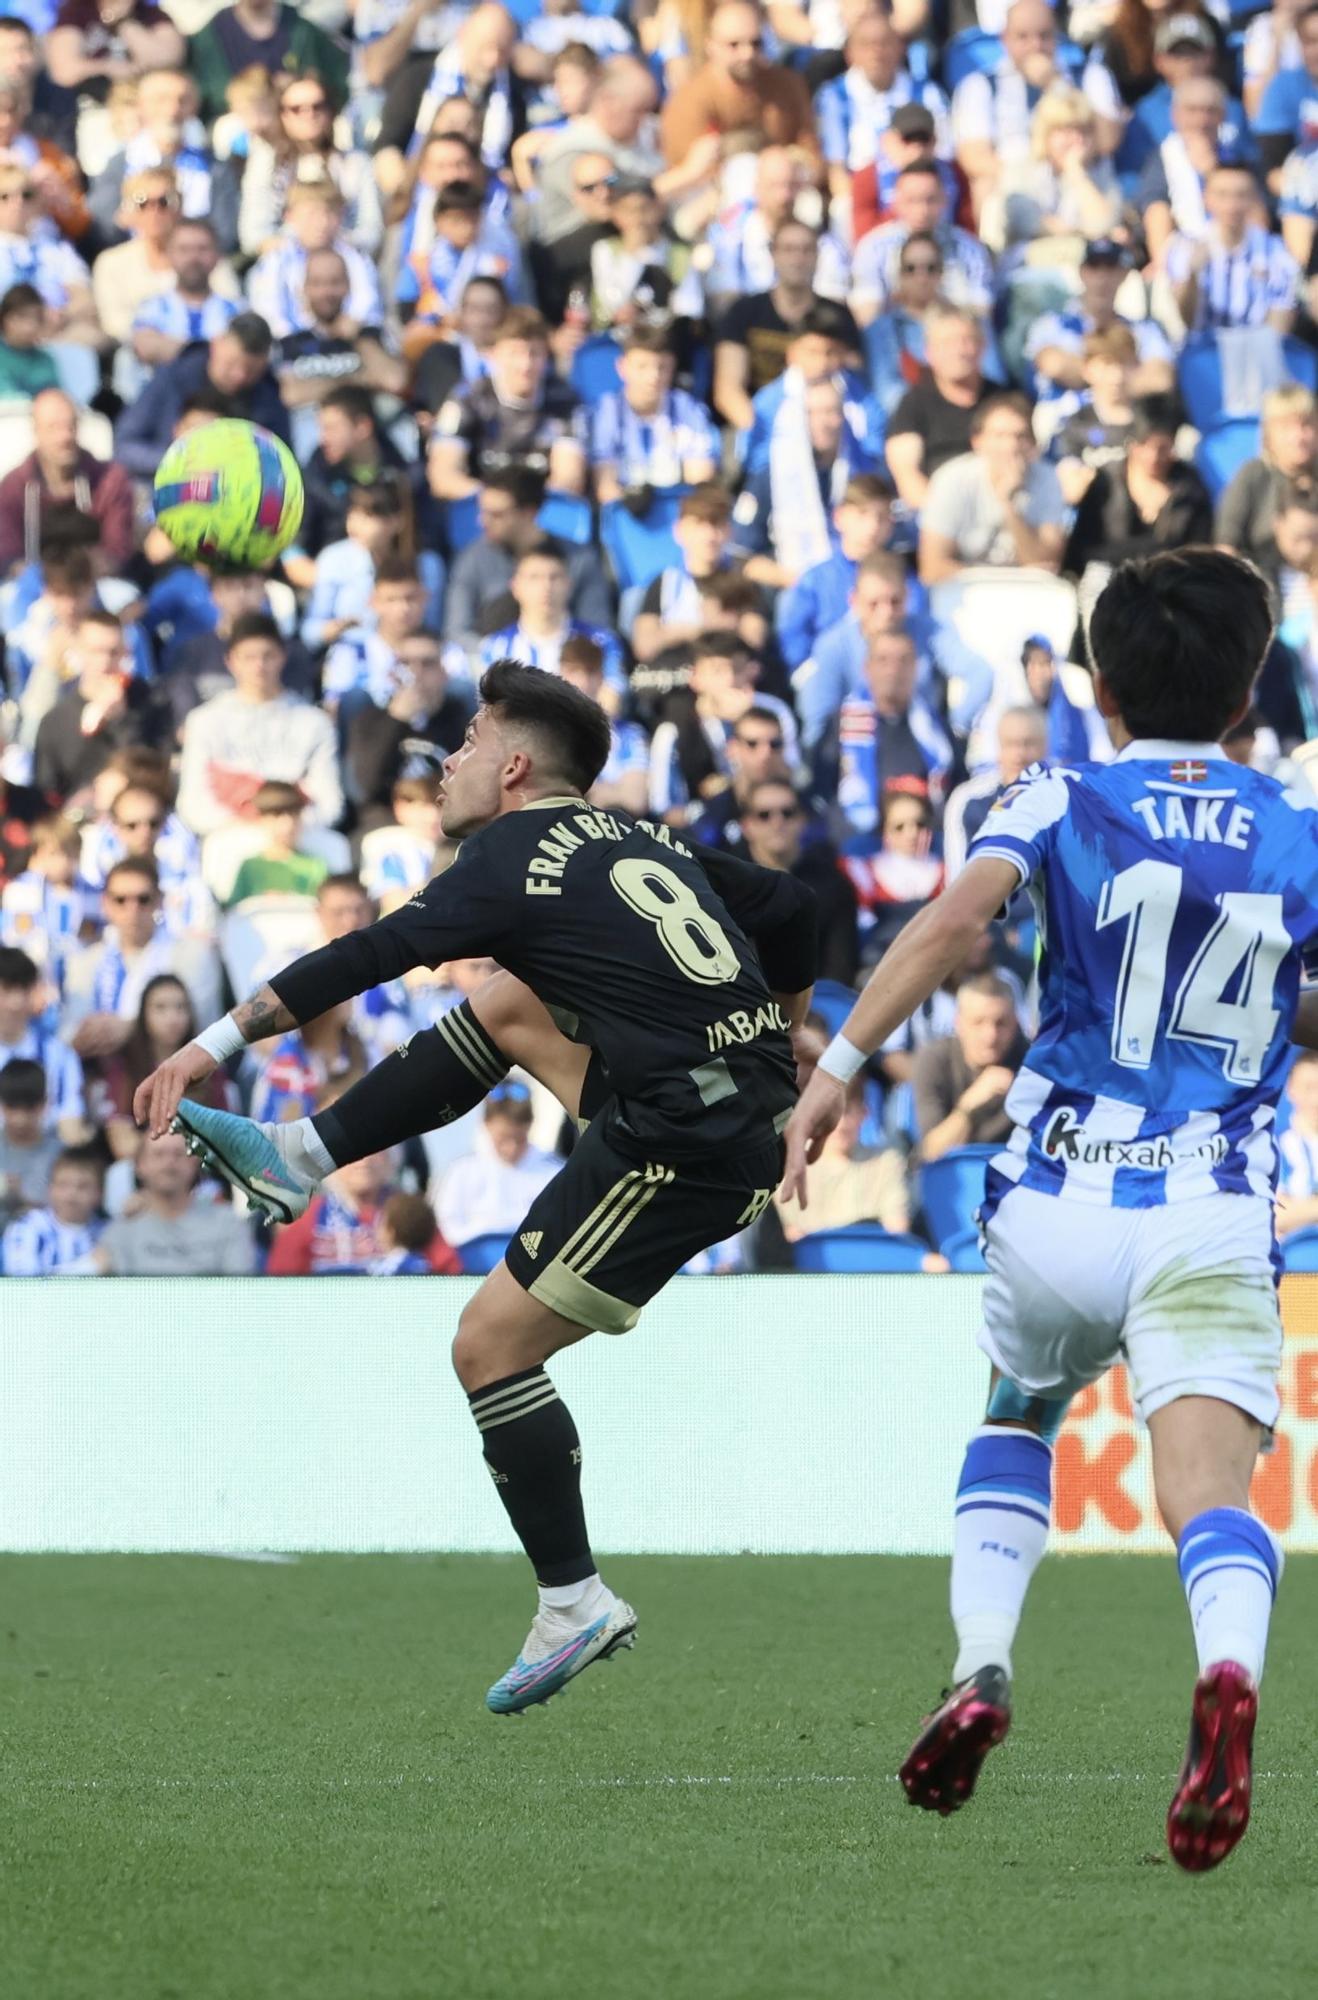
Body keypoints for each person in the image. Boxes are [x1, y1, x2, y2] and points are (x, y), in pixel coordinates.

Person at [137, 661, 819, 1713]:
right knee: (507, 1001)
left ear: (509, 767)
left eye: (461, 743)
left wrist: (212, 1041)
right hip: (722, 1106)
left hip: (686, 1137)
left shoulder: (510, 855)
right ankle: (299, 1155)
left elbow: (373, 951)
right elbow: (795, 909)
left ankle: (572, 1597)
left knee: (487, 1345)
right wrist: (779, 1039)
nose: (445, 763)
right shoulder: (642, 836)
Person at [784, 546, 1316, 1871]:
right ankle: (1225, 1678)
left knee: (1016, 1409)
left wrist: (839, 1068)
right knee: (1207, 1489)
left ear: (1099, 686)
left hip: (1059, 1194)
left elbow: (957, 925)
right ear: (1248, 684)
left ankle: (979, 1664)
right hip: (1206, 1203)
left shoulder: (1056, 790)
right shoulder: (1296, 823)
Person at [176, 612, 343, 837]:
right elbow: (193, 804)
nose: (259, 666)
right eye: (248, 657)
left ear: (283, 656)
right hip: (231, 836)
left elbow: (329, 804)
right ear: (230, 661)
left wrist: (283, 826)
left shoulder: (314, 722)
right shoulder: (204, 721)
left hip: (299, 834)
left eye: (268, 656)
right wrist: (249, 827)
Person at [428, 306, 587, 501]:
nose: (525, 365)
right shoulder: (467, 398)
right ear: (494, 354)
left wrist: (524, 507)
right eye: (515, 353)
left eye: (534, 353)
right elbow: (443, 476)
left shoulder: (564, 401)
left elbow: (569, 478)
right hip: (480, 508)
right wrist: (497, 501)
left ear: (546, 356)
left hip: (539, 510)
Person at [114, 310, 290, 478]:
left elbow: (282, 465)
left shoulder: (268, 398)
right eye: (231, 364)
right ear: (216, 345)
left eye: (251, 371)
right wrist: (181, 463)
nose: (239, 376)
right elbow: (125, 446)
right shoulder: (174, 376)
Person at [918, 392, 1067, 586]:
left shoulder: (1047, 479)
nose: (1010, 446)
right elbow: (932, 568)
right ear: (977, 441)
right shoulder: (951, 480)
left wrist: (1008, 506)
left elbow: (1046, 565)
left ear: (1031, 443)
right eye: (1000, 435)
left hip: (1026, 593)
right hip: (964, 590)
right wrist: (995, 581)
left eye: (1020, 436)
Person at [1065, 394, 1215, 581]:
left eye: (1163, 448)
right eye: (1144, 445)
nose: (1153, 456)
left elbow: (1199, 552)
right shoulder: (1105, 482)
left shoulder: (1190, 488)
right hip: (1111, 583)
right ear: (1130, 443)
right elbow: (1081, 551)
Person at [660, 1, 819, 169]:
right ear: (710, 45)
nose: (747, 54)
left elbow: (813, 157)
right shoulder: (689, 102)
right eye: (734, 45)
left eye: (756, 43)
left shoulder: (788, 86)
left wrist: (793, 168)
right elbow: (687, 175)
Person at [739, 772, 859, 984]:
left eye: (787, 813)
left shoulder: (833, 885)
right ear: (747, 825)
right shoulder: (726, 885)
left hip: (817, 1006)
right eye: (764, 815)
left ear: (802, 820)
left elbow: (840, 970)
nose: (777, 822)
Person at [0, 385, 134, 574]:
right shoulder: (13, 487)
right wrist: (51, 583)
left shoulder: (110, 479)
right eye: (54, 427)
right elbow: (8, 557)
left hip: (95, 582)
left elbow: (117, 552)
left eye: (71, 426)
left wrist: (75, 580)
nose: (65, 436)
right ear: (36, 431)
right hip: (33, 587)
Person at [94, 1129, 254, 1275]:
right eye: (159, 1154)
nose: (169, 1162)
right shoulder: (120, 1232)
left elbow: (239, 1293)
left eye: (178, 1154)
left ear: (194, 1163)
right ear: (139, 1166)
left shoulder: (227, 1223)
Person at [589, 325, 720, 503]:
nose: (653, 376)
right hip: (623, 515)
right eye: (642, 367)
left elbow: (700, 482)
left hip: (676, 514)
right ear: (622, 367)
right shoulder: (605, 412)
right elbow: (605, 488)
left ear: (672, 366)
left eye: (662, 367)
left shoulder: (689, 410)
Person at [884, 304, 992, 514]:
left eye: (968, 340)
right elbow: (908, 478)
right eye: (948, 343)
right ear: (929, 352)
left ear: (982, 347)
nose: (960, 351)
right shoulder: (911, 405)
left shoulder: (1005, 402)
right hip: (938, 516)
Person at [1166, 162, 1298, 333]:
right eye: (1222, 195)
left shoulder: (1276, 251)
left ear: (1254, 199)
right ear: (1206, 198)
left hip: (1259, 350)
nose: (1231, 205)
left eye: (1241, 195)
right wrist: (1192, 275)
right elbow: (1185, 320)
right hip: (1203, 352)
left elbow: (1280, 321)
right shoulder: (1185, 246)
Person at [775, 1074, 910, 1239]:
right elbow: (790, 1235)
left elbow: (896, 1232)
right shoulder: (789, 1167)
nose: (840, 1125)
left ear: (864, 1113)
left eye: (848, 1112)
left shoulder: (887, 1163)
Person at [435, 1081, 560, 1250]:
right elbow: (448, 1227)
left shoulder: (555, 1171)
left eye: (519, 1139)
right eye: (502, 1138)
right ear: (486, 1124)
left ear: (530, 1125)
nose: (511, 1148)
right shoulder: (462, 1171)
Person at [943, 706, 1050, 880]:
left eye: (1029, 743)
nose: (1020, 754)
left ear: (1045, 747)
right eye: (1011, 744)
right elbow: (956, 875)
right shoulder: (968, 800)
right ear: (998, 747)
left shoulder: (1065, 800)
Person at [1, 1144, 102, 1274]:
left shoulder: (108, 1232)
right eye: (63, 1184)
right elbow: (23, 1289)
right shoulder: (26, 1227)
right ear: (50, 1189)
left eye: (82, 1186)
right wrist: (88, 1267)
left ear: (99, 1193)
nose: (71, 1194)